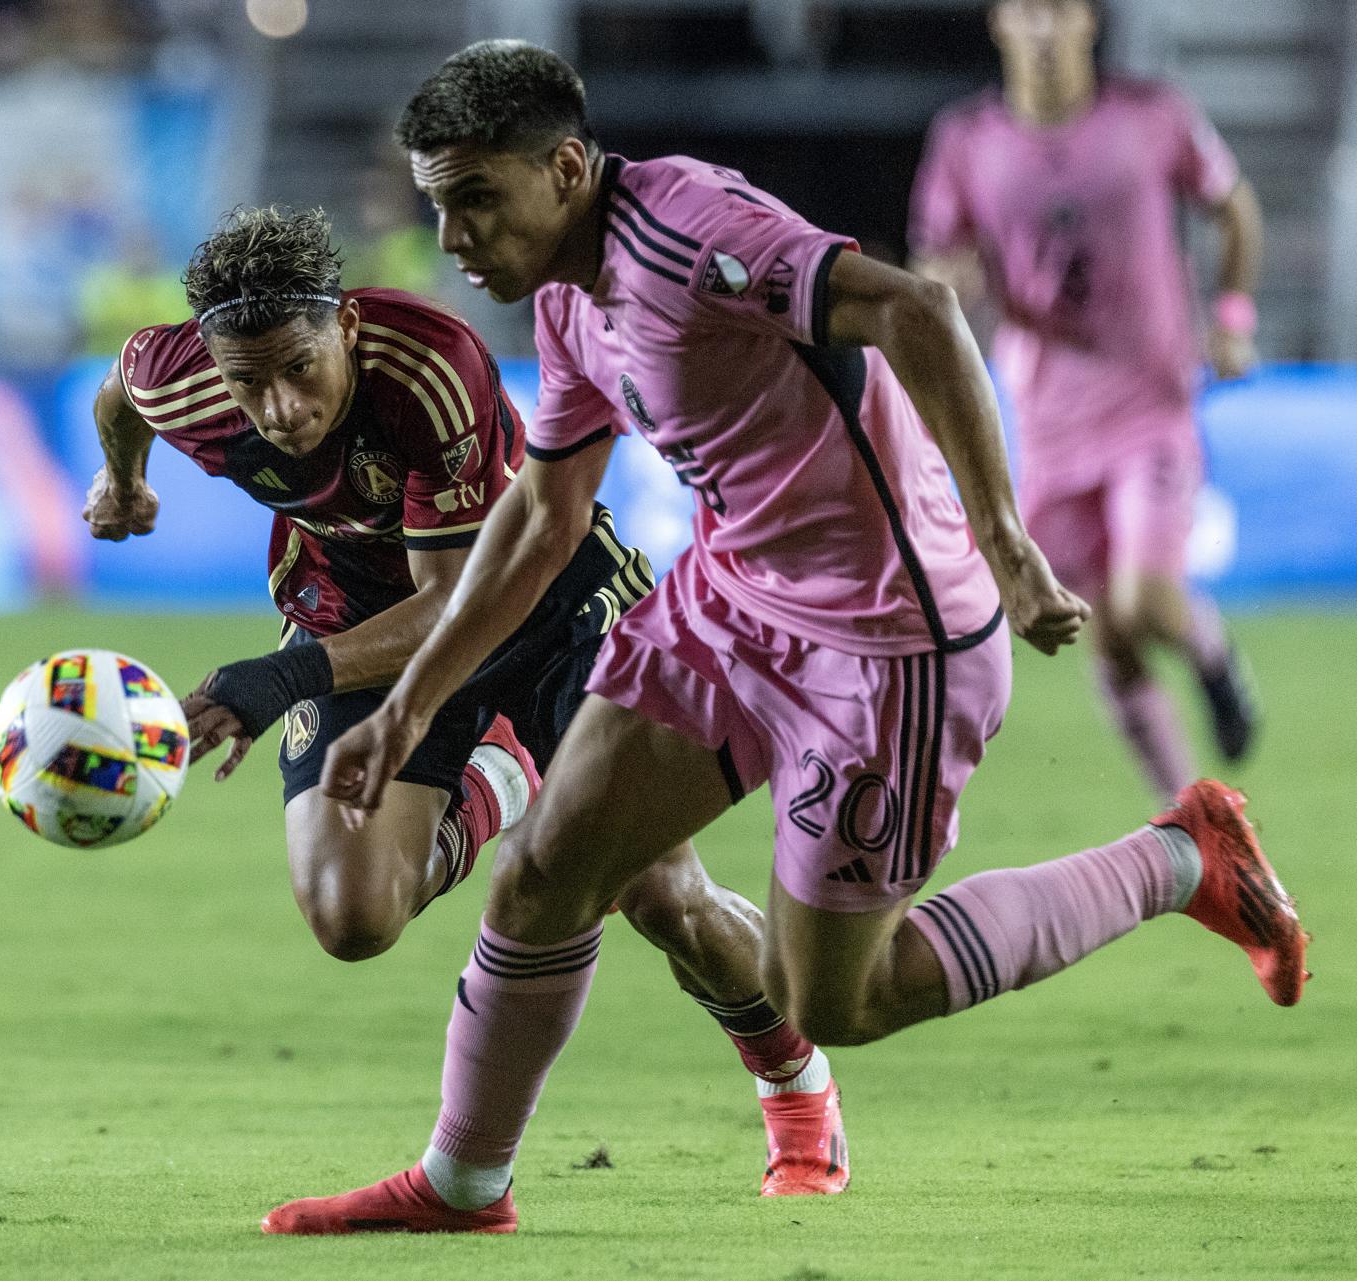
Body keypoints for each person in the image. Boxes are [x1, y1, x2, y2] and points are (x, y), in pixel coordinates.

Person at [261, 40, 1307, 1236]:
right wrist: (407, 710)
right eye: (439, 206)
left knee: (841, 996)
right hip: (734, 597)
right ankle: (463, 1183)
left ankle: (1181, 861)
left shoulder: (690, 232)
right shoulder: (563, 294)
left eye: (474, 202)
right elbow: (543, 517)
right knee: (548, 870)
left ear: (562, 167)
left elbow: (917, 306)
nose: (452, 240)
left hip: (888, 636)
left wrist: (1004, 541)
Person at [83, 205, 852, 1196]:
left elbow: (453, 606)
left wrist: (279, 678)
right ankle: (509, 775)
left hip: (538, 601)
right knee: (351, 915)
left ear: (346, 329)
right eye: (249, 382)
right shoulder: (173, 373)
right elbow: (119, 394)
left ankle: (796, 1085)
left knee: (661, 896)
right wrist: (121, 484)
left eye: (299, 371)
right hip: (353, 610)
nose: (278, 410)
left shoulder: (431, 369)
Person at [910, 0, 1263, 806]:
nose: (1043, 29)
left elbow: (1235, 207)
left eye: (1059, 11)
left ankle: (1212, 655)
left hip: (1151, 404)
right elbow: (938, 266)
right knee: (1104, 634)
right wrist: (952, 282)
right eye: (1027, 11)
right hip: (1046, 423)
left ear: (1088, 23)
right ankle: (1195, 820)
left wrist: (1233, 318)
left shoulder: (1151, 116)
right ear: (999, 23)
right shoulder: (966, 142)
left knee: (1144, 598)